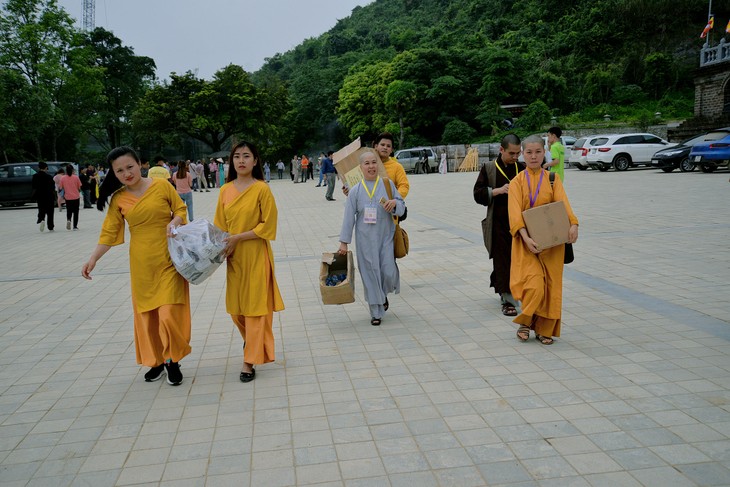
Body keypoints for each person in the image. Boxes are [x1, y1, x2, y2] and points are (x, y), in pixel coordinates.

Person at [82, 146, 191, 386]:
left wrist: (174, 221)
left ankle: (173, 360)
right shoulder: (119, 198)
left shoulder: (162, 186)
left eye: (130, 167)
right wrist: (93, 259)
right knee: (148, 316)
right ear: (114, 173)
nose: (126, 173)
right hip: (142, 264)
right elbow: (109, 233)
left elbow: (181, 209)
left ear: (140, 163)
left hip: (170, 259)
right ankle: (157, 361)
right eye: (119, 170)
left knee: (169, 314)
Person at [214, 141, 284, 383]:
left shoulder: (262, 189)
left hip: (255, 253)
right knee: (236, 311)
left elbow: (268, 225)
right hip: (234, 258)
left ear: (255, 161)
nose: (241, 160)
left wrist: (239, 237)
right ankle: (253, 342)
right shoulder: (224, 191)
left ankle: (248, 361)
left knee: (255, 309)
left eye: (246, 156)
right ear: (232, 161)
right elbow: (220, 227)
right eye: (237, 156)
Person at [508, 135, 579, 345]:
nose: (533, 156)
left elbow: (563, 205)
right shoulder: (516, 183)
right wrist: (526, 238)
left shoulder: (552, 179)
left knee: (551, 287)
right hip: (526, 244)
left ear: (544, 152)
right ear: (522, 153)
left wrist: (573, 223)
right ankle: (526, 321)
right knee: (534, 285)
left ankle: (544, 329)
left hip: (551, 244)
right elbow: (514, 215)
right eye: (529, 152)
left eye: (538, 152)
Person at [338, 150, 405, 326]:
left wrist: (395, 204)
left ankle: (382, 296)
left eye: (374, 162)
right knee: (370, 274)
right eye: (366, 163)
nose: (371, 166)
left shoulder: (387, 184)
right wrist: (343, 243)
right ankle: (376, 312)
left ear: (378, 165)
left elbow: (402, 207)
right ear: (360, 168)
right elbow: (348, 218)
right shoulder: (355, 191)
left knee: (388, 271)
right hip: (365, 239)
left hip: (385, 237)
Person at [473, 134, 525, 317]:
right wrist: (496, 191)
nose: (515, 157)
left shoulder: (522, 168)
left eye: (518, 153)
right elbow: (477, 194)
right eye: (512, 153)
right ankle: (508, 300)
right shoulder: (489, 168)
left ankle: (510, 289)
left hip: (521, 224)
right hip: (498, 223)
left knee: (519, 260)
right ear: (501, 150)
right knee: (503, 260)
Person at [342, 132, 410, 199]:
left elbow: (404, 186)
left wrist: (395, 200)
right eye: (382, 145)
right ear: (376, 146)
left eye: (388, 146)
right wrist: (349, 191)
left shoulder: (397, 167)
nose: (385, 147)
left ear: (391, 150)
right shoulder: (366, 165)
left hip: (388, 206)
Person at [32, 161, 56, 232]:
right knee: (50, 212)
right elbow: (52, 187)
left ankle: (42, 219)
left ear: (39, 168)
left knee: (41, 209)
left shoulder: (35, 176)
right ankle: (50, 227)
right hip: (49, 196)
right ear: (46, 168)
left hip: (40, 196)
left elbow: (34, 186)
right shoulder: (49, 177)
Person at [59, 164, 82, 230]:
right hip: (76, 197)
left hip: (67, 197)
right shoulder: (76, 177)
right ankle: (75, 226)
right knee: (76, 212)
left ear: (66, 170)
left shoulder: (62, 178)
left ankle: (69, 220)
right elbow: (79, 188)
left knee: (69, 210)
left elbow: (61, 187)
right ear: (72, 170)